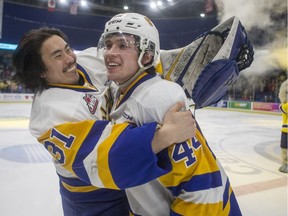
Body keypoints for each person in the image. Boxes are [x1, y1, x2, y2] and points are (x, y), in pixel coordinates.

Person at [12, 27, 196, 215]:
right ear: (40, 71)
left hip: (128, 179)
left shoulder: (86, 61)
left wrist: (186, 60)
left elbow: (136, 61)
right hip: (94, 200)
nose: (70, 58)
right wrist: (165, 135)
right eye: (58, 56)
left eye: (68, 49)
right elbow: (101, 158)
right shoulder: (50, 115)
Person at [99, 13, 242, 215]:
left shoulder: (158, 97)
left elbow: (202, 186)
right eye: (108, 44)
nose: (110, 52)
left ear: (147, 55)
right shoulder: (119, 93)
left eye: (122, 45)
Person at [278, 79, 287, 173]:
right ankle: (285, 163)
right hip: (285, 131)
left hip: (285, 131)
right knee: (284, 148)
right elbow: (283, 108)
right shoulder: (284, 105)